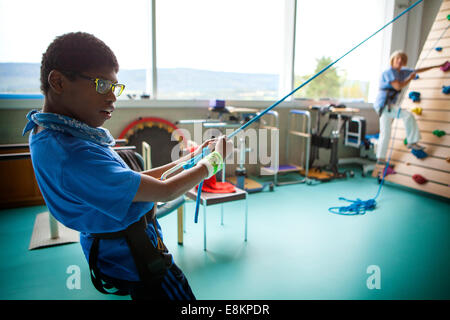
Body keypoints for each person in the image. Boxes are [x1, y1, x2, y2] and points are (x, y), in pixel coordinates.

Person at [22, 32, 233, 300]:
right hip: (137, 255)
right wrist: (213, 162)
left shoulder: (55, 134)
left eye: (114, 87)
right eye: (101, 85)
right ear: (58, 81)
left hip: (118, 248)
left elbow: (132, 180)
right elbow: (165, 191)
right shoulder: (73, 153)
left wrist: (189, 159)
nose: (112, 97)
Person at [373, 50, 444, 163]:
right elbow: (397, 87)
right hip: (384, 105)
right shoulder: (389, 72)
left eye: (402, 59)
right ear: (393, 60)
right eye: (397, 59)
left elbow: (418, 70)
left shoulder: (402, 72)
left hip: (386, 106)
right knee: (407, 115)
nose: (400, 61)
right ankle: (412, 141)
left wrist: (438, 65)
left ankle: (380, 158)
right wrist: (410, 78)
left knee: (385, 132)